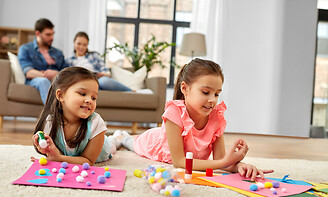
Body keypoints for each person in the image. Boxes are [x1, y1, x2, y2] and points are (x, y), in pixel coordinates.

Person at [119, 58, 274, 180]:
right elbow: (179, 162)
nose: (213, 99)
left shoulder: (216, 117)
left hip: (163, 134)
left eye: (217, 94)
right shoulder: (174, 112)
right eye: (206, 92)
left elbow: (220, 160)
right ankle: (121, 137)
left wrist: (240, 165)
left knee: (135, 138)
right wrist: (226, 162)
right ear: (185, 89)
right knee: (130, 142)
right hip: (152, 142)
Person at [32, 67, 120, 165]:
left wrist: (59, 158)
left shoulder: (96, 123)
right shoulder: (50, 122)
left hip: (104, 148)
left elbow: (88, 161)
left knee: (112, 143)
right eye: (82, 94)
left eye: (93, 97)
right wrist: (45, 148)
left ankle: (120, 137)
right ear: (60, 95)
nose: (89, 100)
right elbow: (52, 154)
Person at [18, 18, 68, 104]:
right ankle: (53, 115)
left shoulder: (58, 53)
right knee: (43, 81)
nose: (52, 38)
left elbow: (66, 72)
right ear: (38, 33)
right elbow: (29, 72)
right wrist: (48, 75)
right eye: (48, 35)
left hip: (57, 79)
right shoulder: (26, 49)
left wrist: (57, 74)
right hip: (36, 79)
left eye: (53, 34)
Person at [65, 31, 133, 92]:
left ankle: (131, 92)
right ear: (74, 43)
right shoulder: (68, 61)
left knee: (103, 82)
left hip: (98, 80)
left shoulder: (94, 56)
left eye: (84, 44)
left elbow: (106, 72)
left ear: (87, 45)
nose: (81, 47)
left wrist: (102, 74)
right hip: (81, 82)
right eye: (79, 44)